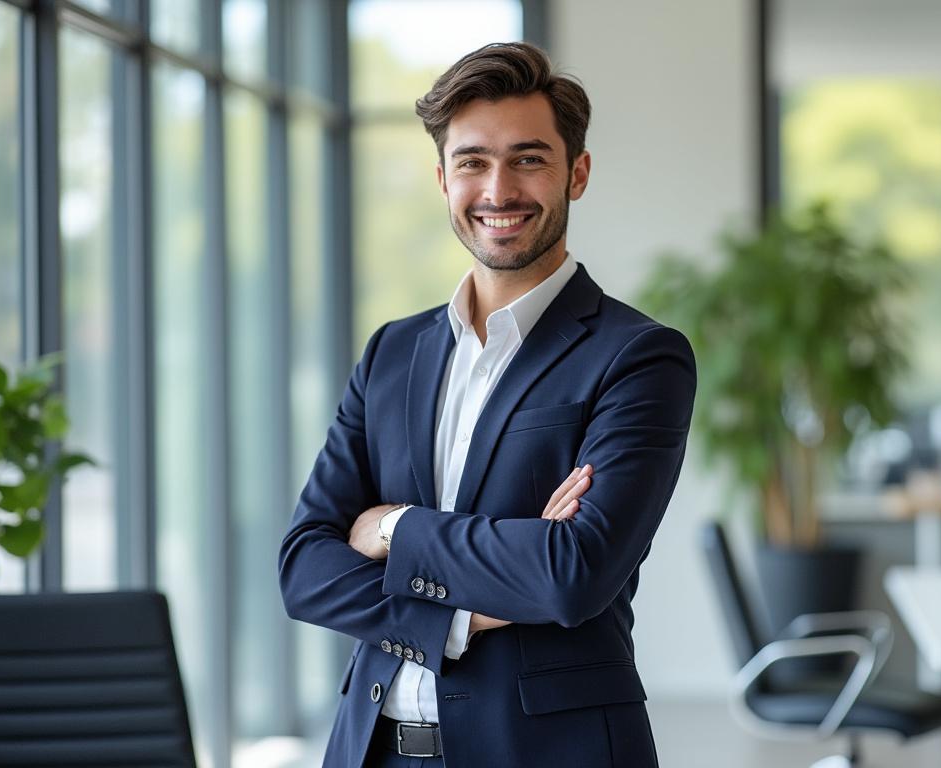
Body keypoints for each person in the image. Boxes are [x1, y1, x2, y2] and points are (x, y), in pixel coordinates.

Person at [279, 41, 696, 768]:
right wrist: (464, 613)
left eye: (529, 159)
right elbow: (304, 567)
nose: (498, 189)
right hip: (372, 750)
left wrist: (392, 526)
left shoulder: (638, 357)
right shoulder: (391, 354)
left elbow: (572, 573)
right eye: (472, 161)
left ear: (578, 172)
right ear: (442, 179)